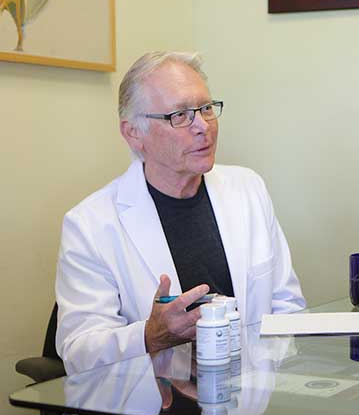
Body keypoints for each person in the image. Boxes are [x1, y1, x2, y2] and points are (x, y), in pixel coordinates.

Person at [56, 51, 305, 375]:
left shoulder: (248, 189)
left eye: (205, 108)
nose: (203, 126)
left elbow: (287, 307)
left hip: (248, 404)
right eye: (180, 115)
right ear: (133, 132)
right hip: (146, 412)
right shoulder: (90, 224)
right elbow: (78, 352)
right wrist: (150, 335)